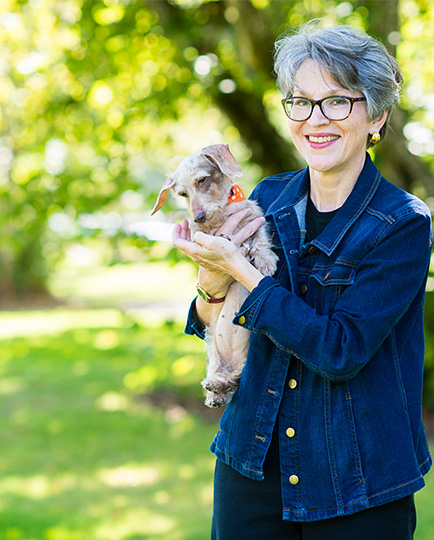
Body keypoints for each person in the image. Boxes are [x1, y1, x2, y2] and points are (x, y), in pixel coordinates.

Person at [172, 21, 433, 540]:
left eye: (337, 102)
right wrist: (210, 280)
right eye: (301, 102)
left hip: (358, 482)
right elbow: (212, 323)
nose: (316, 119)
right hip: (249, 468)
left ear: (376, 116)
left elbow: (340, 350)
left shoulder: (402, 223)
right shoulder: (266, 196)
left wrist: (242, 271)